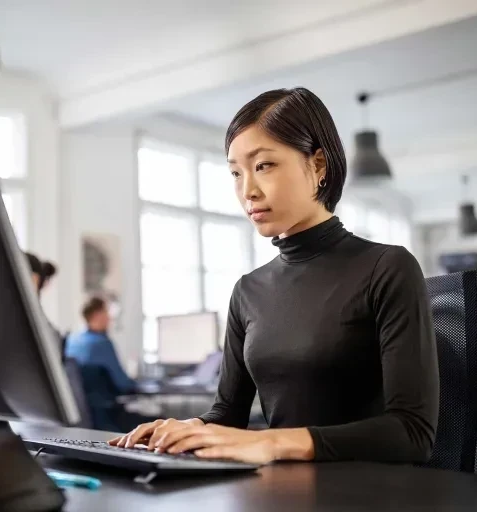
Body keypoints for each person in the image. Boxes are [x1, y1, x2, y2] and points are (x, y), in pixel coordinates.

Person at [111, 87, 439, 465]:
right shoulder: (248, 290)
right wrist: (188, 428)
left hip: (367, 493)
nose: (248, 190)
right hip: (281, 491)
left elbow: (412, 433)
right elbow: (228, 414)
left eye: (263, 165)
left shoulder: (387, 267)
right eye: (236, 172)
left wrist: (272, 442)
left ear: (318, 166)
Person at [67, 297, 145, 431]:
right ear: (98, 315)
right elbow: (123, 384)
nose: (109, 318)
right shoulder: (102, 343)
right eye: (107, 313)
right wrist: (141, 385)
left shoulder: (72, 340)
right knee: (159, 421)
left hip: (81, 416)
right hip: (106, 418)